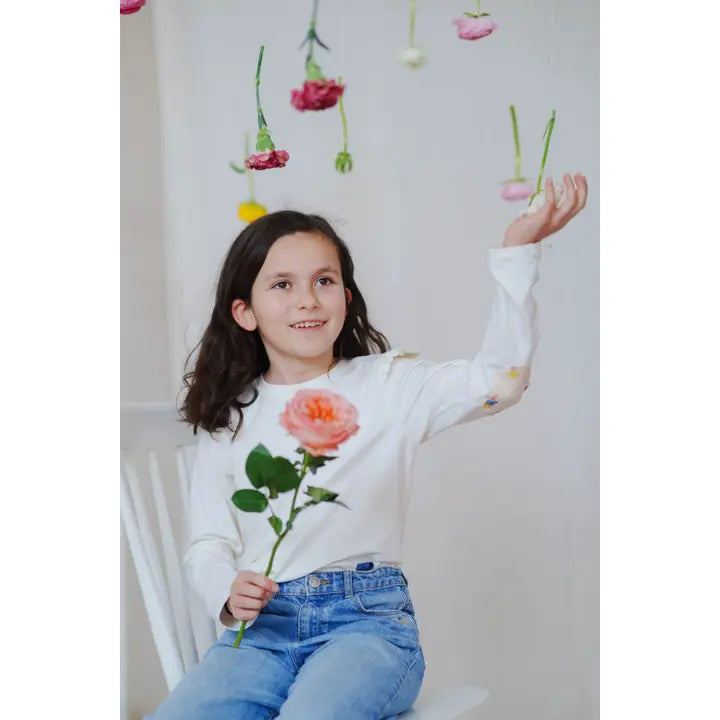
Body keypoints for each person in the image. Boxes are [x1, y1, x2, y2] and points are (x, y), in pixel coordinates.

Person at [145, 173, 588, 719]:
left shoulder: (388, 385)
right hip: (260, 635)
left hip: (366, 627)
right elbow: (208, 542)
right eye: (282, 285)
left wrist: (517, 253)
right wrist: (226, 589)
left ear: (346, 296)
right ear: (245, 311)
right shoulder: (228, 416)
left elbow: (501, 382)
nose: (308, 300)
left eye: (324, 281)